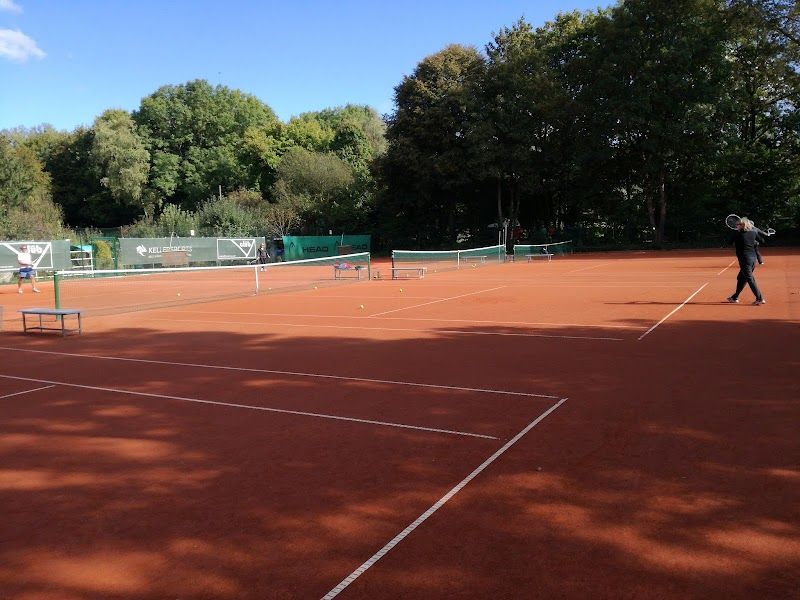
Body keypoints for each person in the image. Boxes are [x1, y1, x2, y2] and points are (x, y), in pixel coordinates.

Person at [727, 217, 766, 305]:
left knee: (750, 279)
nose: (736, 225)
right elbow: (762, 240)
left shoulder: (737, 234)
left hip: (745, 260)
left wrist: (735, 233)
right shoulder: (753, 232)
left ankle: (759, 298)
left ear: (743, 225)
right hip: (753, 259)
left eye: (738, 224)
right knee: (741, 278)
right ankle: (734, 297)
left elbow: (729, 242)